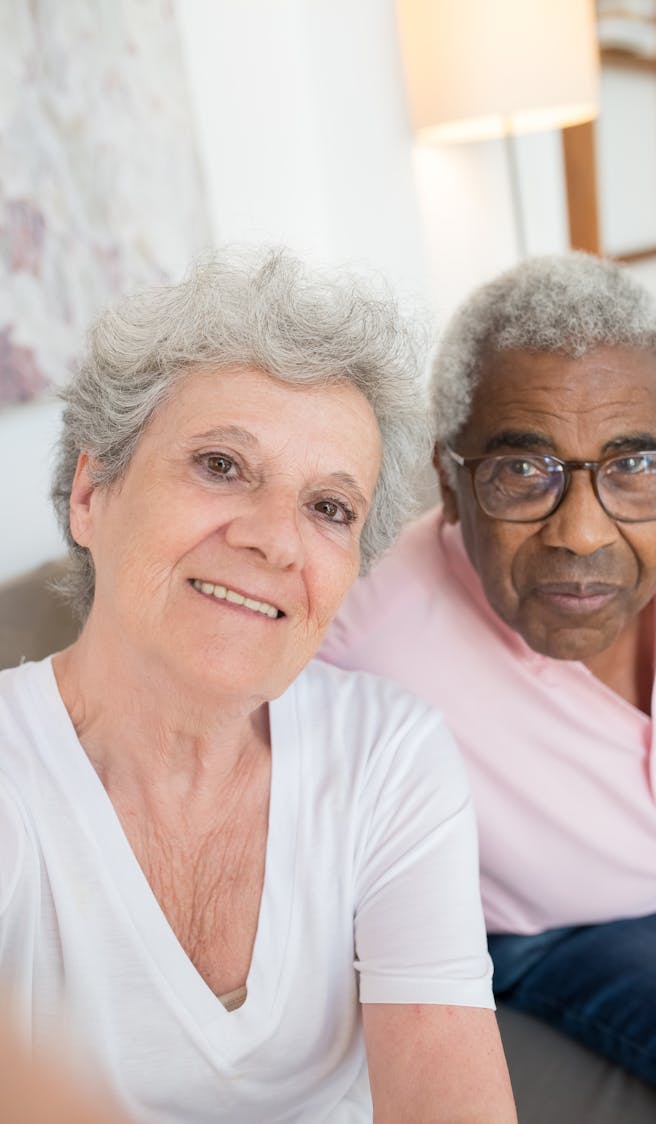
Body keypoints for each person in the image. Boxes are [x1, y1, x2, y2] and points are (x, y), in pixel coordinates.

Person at [0, 248, 517, 1124]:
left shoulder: (387, 755)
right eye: (221, 465)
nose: (276, 542)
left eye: (328, 509)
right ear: (91, 492)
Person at [320, 253, 656, 1123]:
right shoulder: (348, 645)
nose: (583, 533)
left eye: (634, 466)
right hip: (578, 926)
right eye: (523, 471)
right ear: (449, 481)